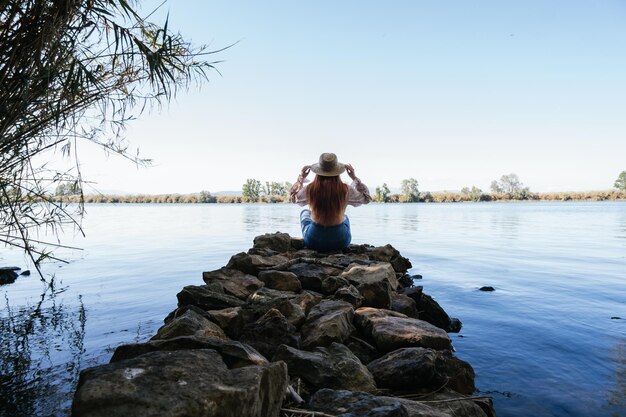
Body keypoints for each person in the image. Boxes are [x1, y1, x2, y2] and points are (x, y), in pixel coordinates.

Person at [289, 152, 371, 251]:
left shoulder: (310, 188)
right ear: (337, 172)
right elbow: (366, 199)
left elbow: (294, 198)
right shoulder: (345, 189)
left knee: (305, 213)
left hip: (313, 241)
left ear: (318, 172)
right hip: (341, 242)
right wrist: (354, 178)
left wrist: (301, 178)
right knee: (345, 217)